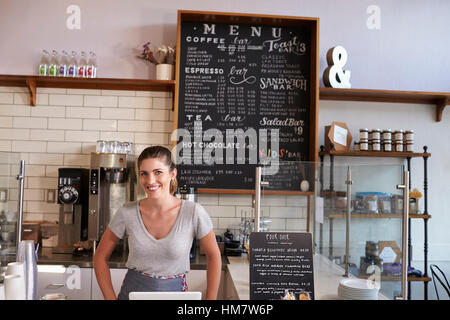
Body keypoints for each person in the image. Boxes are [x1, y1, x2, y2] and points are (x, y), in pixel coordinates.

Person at [93, 146, 222, 300]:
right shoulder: (127, 212)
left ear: (172, 174)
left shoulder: (193, 212)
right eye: (144, 174)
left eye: (158, 172)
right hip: (132, 295)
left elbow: (214, 256)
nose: (150, 181)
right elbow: (100, 257)